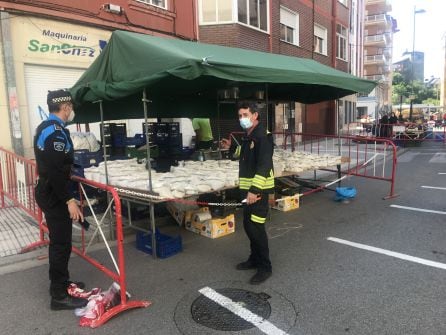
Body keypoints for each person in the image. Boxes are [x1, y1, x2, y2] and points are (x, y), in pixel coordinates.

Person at [34, 89, 88, 310]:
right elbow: (55, 171)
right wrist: (69, 200)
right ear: (65, 107)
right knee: (61, 244)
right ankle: (58, 295)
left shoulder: (45, 127)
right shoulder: (55, 132)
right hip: (54, 193)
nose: (72, 110)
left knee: (61, 242)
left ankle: (62, 282)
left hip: (50, 190)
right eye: (71, 107)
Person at [221, 102, 274, 284]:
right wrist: (230, 147)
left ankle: (265, 267)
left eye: (245, 114)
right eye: (240, 115)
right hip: (247, 192)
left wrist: (254, 190)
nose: (241, 118)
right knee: (248, 226)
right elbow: (243, 154)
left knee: (256, 229)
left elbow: (264, 165)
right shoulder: (248, 135)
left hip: (257, 192)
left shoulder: (263, 137)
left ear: (255, 116)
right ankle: (254, 259)